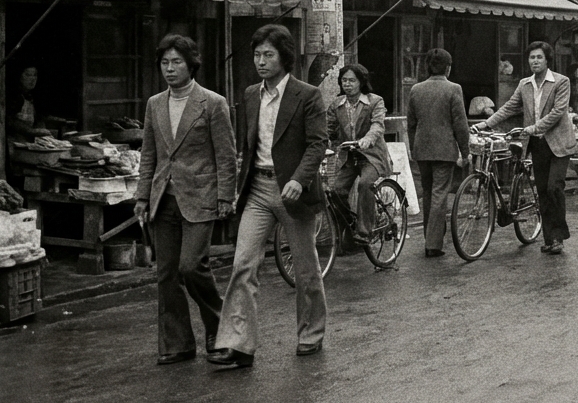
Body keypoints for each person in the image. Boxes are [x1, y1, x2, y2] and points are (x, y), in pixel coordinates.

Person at [209, 25, 329, 368]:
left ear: (284, 58)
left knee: (306, 270)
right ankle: (238, 344)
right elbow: (247, 146)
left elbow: (318, 142)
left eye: (268, 55)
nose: (261, 61)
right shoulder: (249, 95)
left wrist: (299, 179)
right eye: (257, 55)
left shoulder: (306, 95)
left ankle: (310, 333)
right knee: (242, 264)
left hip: (293, 192)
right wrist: (235, 189)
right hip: (258, 190)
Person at [134, 35, 237, 366]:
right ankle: (177, 343)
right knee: (166, 274)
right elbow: (148, 154)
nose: (169, 68)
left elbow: (226, 154)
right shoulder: (154, 104)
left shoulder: (213, 103)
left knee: (191, 267)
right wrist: (141, 197)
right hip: (163, 198)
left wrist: (225, 197)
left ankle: (219, 329)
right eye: (164, 62)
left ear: (191, 64)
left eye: (176, 62)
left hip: (201, 196)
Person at [475, 41, 575, 254]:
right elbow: (509, 107)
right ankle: (550, 240)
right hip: (537, 144)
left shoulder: (561, 81)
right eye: (532, 58)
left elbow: (558, 112)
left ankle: (558, 236)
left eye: (539, 57)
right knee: (542, 192)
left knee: (554, 188)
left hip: (558, 144)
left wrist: (533, 127)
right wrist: (486, 123)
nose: (535, 61)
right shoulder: (524, 85)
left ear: (547, 60)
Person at [406, 48, 471, 258]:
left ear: (428, 67)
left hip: (422, 149)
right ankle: (433, 244)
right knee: (439, 194)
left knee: (428, 191)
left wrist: (413, 147)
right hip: (444, 150)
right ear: (448, 68)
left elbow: (411, 123)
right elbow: (460, 124)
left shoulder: (416, 89)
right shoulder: (454, 89)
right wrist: (465, 151)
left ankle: (431, 235)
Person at [326, 64, 391, 246]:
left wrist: (368, 139)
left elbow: (378, 124)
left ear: (361, 82)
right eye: (344, 80)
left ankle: (365, 232)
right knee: (335, 191)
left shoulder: (375, 101)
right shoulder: (337, 104)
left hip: (371, 156)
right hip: (349, 157)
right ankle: (347, 229)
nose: (347, 84)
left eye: (352, 80)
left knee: (365, 184)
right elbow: (328, 130)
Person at [7, 64, 50, 139]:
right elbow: (10, 121)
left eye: (35, 75)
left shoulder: (32, 96)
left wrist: (41, 129)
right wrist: (30, 131)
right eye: (28, 75)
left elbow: (39, 119)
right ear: (19, 77)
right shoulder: (12, 96)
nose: (33, 79)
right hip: (12, 141)